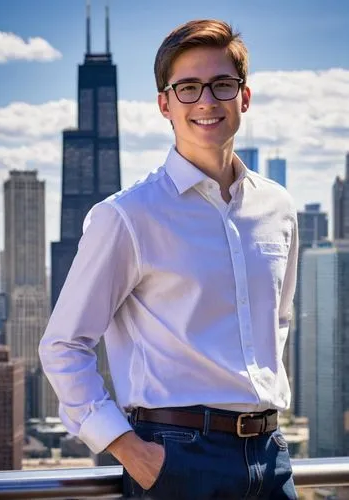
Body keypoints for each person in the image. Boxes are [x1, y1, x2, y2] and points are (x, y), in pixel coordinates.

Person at [39, 18, 299, 499]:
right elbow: (62, 345)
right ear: (165, 104)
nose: (206, 100)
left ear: (244, 96)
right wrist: (133, 453)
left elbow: (278, 321)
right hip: (175, 459)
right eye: (188, 88)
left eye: (222, 84)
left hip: (271, 456)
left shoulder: (278, 208)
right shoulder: (127, 216)